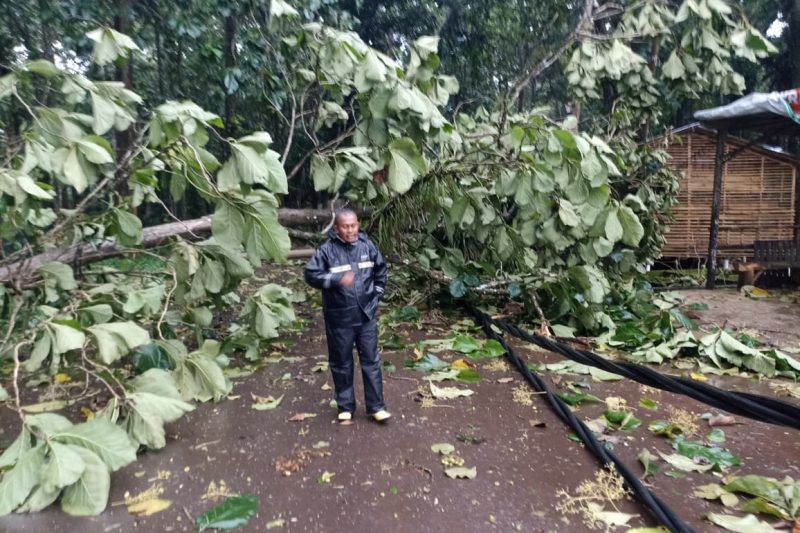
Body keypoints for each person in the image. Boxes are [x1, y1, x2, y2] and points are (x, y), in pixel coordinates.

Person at [304, 209, 391, 423]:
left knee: (371, 361)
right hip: (339, 318)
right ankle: (345, 406)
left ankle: (376, 407)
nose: (350, 230)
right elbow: (310, 274)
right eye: (345, 226)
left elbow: (381, 270)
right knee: (341, 363)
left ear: (358, 225)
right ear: (337, 228)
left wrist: (377, 295)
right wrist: (336, 280)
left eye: (353, 225)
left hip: (366, 316)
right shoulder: (326, 251)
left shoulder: (367, 246)